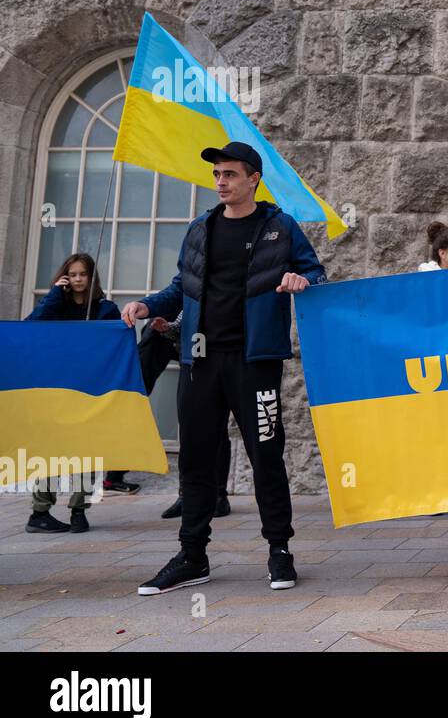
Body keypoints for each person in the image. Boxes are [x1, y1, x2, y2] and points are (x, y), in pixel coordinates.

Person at [123, 141, 326, 595]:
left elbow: (317, 274)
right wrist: (146, 304)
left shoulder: (281, 228)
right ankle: (192, 555)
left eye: (230, 174)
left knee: (266, 457)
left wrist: (301, 279)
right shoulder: (200, 228)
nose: (221, 182)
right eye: (217, 175)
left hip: (255, 364)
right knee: (195, 460)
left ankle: (279, 551)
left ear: (253, 178)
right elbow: (181, 287)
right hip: (199, 362)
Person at [23, 253, 120, 534]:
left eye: (82, 274)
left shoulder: (105, 309)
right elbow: (32, 326)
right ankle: (39, 512)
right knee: (51, 450)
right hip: (55, 386)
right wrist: (55, 294)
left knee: (87, 450)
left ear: (91, 277)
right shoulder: (56, 306)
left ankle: (79, 510)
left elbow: (116, 346)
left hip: (90, 389)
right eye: (72, 274)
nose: (78, 279)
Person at [144, 316, 233, 521]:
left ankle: (219, 495)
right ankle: (187, 496)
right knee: (190, 428)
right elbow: (180, 321)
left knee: (217, 429)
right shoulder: (190, 286)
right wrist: (166, 328)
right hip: (191, 358)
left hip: (223, 357)